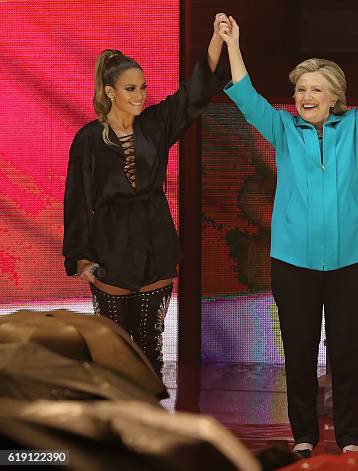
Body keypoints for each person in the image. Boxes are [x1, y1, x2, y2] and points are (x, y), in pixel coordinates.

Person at [219, 16, 358, 456]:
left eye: (315, 89)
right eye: (300, 89)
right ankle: (304, 437)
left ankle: (350, 437)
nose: (305, 97)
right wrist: (232, 44)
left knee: (348, 355)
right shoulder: (281, 129)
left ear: (335, 96)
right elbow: (245, 96)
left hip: (349, 262)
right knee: (298, 354)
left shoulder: (354, 127)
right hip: (292, 263)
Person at [63, 14, 229, 377]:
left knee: (149, 348)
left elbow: (194, 93)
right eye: (131, 89)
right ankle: (116, 429)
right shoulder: (88, 140)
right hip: (111, 249)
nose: (141, 95)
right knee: (113, 352)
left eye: (142, 87)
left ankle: (148, 425)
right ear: (110, 92)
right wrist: (82, 260)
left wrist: (217, 39)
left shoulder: (155, 125)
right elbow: (76, 202)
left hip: (155, 241)